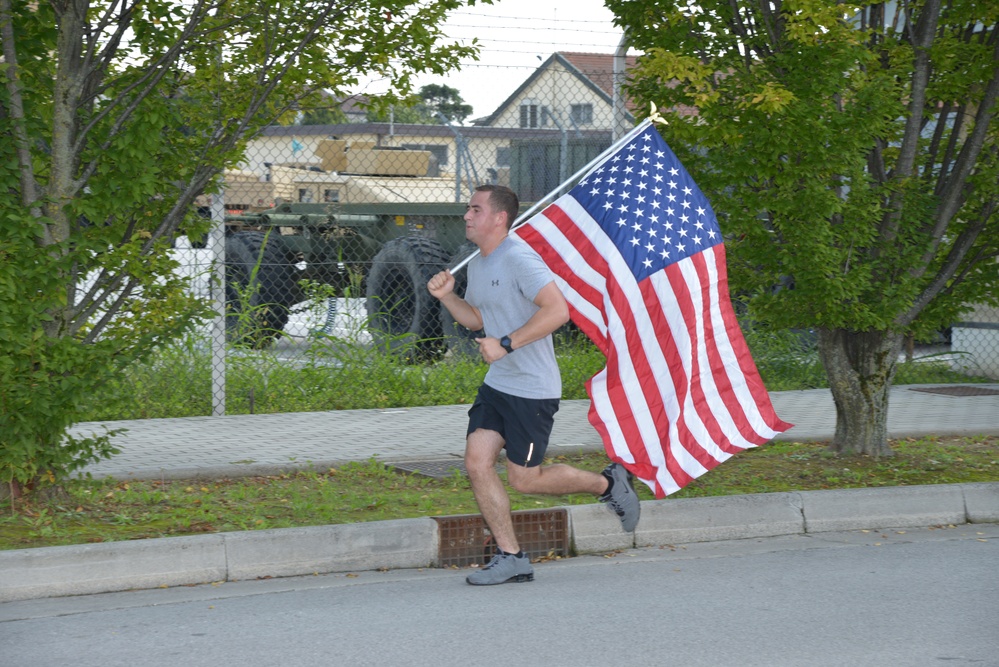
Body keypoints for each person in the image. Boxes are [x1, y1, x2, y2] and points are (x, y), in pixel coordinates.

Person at [427, 184, 640, 586]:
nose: (467, 216)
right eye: (468, 209)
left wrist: (506, 345)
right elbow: (476, 319)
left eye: (475, 209)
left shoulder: (521, 258)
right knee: (476, 463)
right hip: (499, 385)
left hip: (533, 390)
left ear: (499, 217)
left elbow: (558, 310)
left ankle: (609, 483)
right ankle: (512, 556)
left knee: (526, 480)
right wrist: (447, 297)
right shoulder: (480, 261)